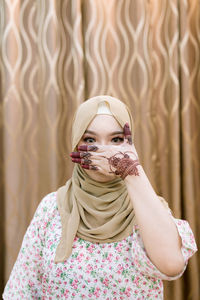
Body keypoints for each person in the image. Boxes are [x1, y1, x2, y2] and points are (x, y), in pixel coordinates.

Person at [3, 95, 197, 299]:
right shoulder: (51, 208)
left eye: (116, 140)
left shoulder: (148, 206)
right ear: (76, 144)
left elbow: (171, 265)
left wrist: (130, 171)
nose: (104, 151)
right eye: (89, 140)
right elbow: (21, 291)